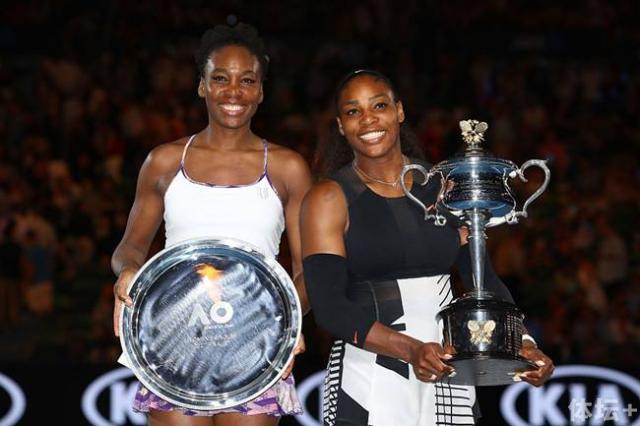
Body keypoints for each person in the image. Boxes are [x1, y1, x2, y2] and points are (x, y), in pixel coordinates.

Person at [300, 69, 554, 426]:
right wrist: (410, 350)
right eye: (353, 111)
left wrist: (522, 342)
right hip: (368, 376)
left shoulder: (444, 186)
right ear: (341, 126)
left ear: (399, 111)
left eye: (379, 105)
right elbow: (329, 307)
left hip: (447, 368)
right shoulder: (328, 198)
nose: (368, 119)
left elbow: (483, 281)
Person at [112, 23, 312, 426]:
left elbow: (308, 268)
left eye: (247, 80)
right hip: (173, 338)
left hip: (255, 341)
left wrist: (288, 323)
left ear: (261, 91)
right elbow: (129, 248)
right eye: (220, 78)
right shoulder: (164, 161)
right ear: (202, 86)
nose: (233, 91)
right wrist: (128, 272)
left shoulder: (288, 168)